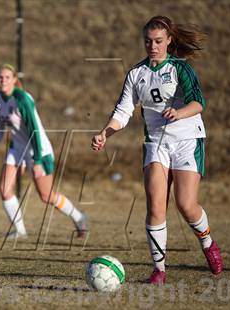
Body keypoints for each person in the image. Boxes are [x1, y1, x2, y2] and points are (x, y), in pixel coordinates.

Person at [91, 16, 223, 284]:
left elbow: (198, 103)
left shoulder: (180, 69)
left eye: (158, 41)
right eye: (148, 41)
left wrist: (179, 112)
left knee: (186, 205)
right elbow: (123, 111)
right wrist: (105, 132)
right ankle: (159, 270)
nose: (153, 46)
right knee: (155, 207)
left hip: (187, 139)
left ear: (169, 40)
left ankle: (207, 242)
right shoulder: (136, 74)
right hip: (156, 144)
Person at [0, 63, 87, 239]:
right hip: (17, 148)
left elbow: (34, 129)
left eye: (7, 77)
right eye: (0, 77)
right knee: (4, 189)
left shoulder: (22, 99)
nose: (3, 80)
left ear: (14, 80)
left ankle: (79, 217)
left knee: (46, 195)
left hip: (38, 149)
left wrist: (36, 161)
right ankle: (20, 230)